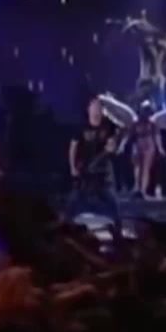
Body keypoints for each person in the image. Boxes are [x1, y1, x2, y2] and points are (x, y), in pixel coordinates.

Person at [66, 96, 124, 242]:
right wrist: (73, 168)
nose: (96, 110)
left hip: (104, 172)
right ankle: (66, 228)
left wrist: (113, 146)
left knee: (112, 200)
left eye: (99, 107)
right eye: (94, 107)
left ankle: (118, 231)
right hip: (85, 170)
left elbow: (115, 143)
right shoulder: (81, 126)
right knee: (74, 198)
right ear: (88, 109)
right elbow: (73, 148)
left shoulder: (109, 125)